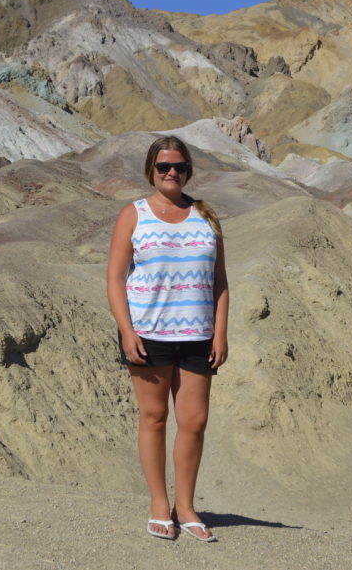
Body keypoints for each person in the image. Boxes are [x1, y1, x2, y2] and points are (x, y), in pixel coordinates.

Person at [106, 135, 229, 542]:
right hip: (149, 333)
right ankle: (160, 504)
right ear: (151, 171)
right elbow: (115, 278)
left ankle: (187, 505)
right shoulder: (134, 215)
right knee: (154, 418)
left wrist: (221, 333)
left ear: (189, 170)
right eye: (163, 167)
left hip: (197, 335)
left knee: (194, 422)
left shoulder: (206, 216)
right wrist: (127, 331)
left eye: (178, 166)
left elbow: (220, 282)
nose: (171, 172)